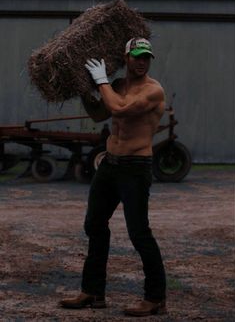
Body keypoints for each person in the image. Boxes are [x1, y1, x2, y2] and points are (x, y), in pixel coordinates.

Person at [60, 37, 167, 317]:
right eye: (137, 56)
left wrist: (101, 80)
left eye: (147, 57)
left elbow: (120, 109)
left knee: (139, 233)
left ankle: (155, 298)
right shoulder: (117, 86)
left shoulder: (153, 91)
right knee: (94, 225)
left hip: (135, 167)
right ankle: (93, 292)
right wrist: (84, 88)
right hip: (109, 164)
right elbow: (99, 114)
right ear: (126, 58)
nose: (142, 62)